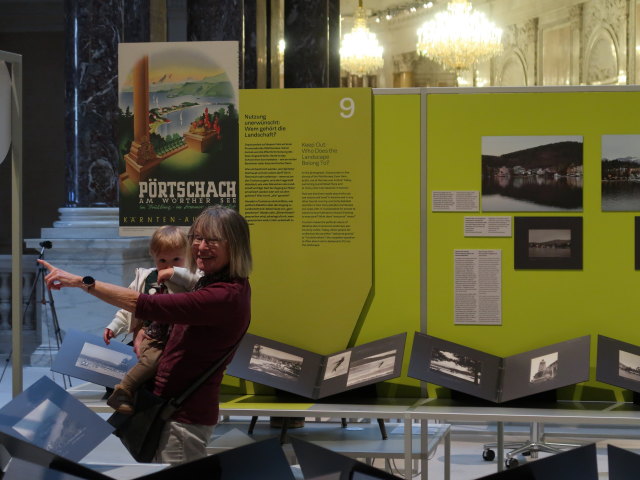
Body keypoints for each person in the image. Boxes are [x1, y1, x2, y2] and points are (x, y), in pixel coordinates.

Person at [39, 205, 252, 465]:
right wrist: (145, 332)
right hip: (168, 410)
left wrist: (82, 282)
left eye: (212, 240)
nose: (200, 246)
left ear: (235, 245)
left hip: (183, 418)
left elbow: (147, 305)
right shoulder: (211, 281)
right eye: (197, 237)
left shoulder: (224, 295)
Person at [103, 225, 201, 415]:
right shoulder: (146, 278)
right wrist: (114, 326)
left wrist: (175, 273)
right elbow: (129, 307)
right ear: (153, 257)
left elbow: (197, 282)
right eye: (162, 260)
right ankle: (123, 391)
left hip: (182, 338)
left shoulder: (189, 275)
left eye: (176, 259)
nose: (168, 265)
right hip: (154, 335)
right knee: (151, 361)